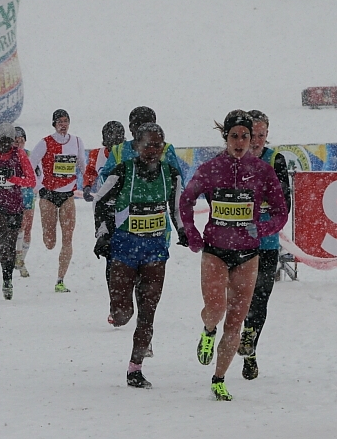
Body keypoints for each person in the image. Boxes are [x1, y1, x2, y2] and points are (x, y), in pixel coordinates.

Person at [180, 110, 288, 401]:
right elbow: (186, 199)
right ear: (225, 138)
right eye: (234, 136)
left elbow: (281, 210)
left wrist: (262, 228)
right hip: (215, 251)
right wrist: (192, 232)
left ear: (253, 139)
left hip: (248, 254)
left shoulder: (263, 171)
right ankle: (207, 329)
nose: (240, 142)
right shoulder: (211, 168)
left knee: (236, 322)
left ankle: (219, 378)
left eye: (245, 136)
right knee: (216, 309)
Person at [95, 123, 185, 388]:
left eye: (158, 145)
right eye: (148, 144)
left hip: (155, 249)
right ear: (136, 146)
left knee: (148, 312)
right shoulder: (123, 172)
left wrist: (183, 231)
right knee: (124, 314)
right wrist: (102, 235)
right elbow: (100, 201)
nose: (153, 150)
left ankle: (135, 369)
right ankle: (119, 306)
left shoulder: (170, 174)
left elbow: (176, 207)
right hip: (124, 248)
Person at [237, 110, 292, 380]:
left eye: (261, 134)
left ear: (267, 135)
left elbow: (284, 205)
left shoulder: (275, 161)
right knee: (236, 300)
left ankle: (251, 350)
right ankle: (218, 335)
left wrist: (257, 219)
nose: (256, 140)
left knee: (259, 300)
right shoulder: (231, 161)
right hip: (234, 245)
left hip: (266, 244)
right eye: (252, 135)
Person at [29, 109, 86, 292]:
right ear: (54, 123)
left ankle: (60, 279)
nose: (63, 124)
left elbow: (83, 166)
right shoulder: (45, 142)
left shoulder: (76, 142)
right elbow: (30, 165)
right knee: (50, 241)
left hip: (68, 195)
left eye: (66, 121)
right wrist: (38, 186)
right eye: (60, 121)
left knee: (68, 238)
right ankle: (48, 236)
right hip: (48, 196)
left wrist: (89, 184)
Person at [0, 123, 36, 299]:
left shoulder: (20, 155)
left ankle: (7, 276)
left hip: (15, 204)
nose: (4, 146)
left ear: (12, 142)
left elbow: (31, 181)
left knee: (10, 241)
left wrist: (14, 179)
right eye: (1, 141)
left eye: (8, 142)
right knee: (5, 236)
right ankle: (6, 277)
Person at [13, 126, 36, 277]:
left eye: (21, 141)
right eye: (16, 142)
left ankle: (21, 261)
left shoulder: (30, 155)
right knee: (20, 227)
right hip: (15, 194)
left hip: (28, 194)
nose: (19, 144)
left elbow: (37, 173)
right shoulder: (9, 157)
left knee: (28, 229)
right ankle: (18, 257)